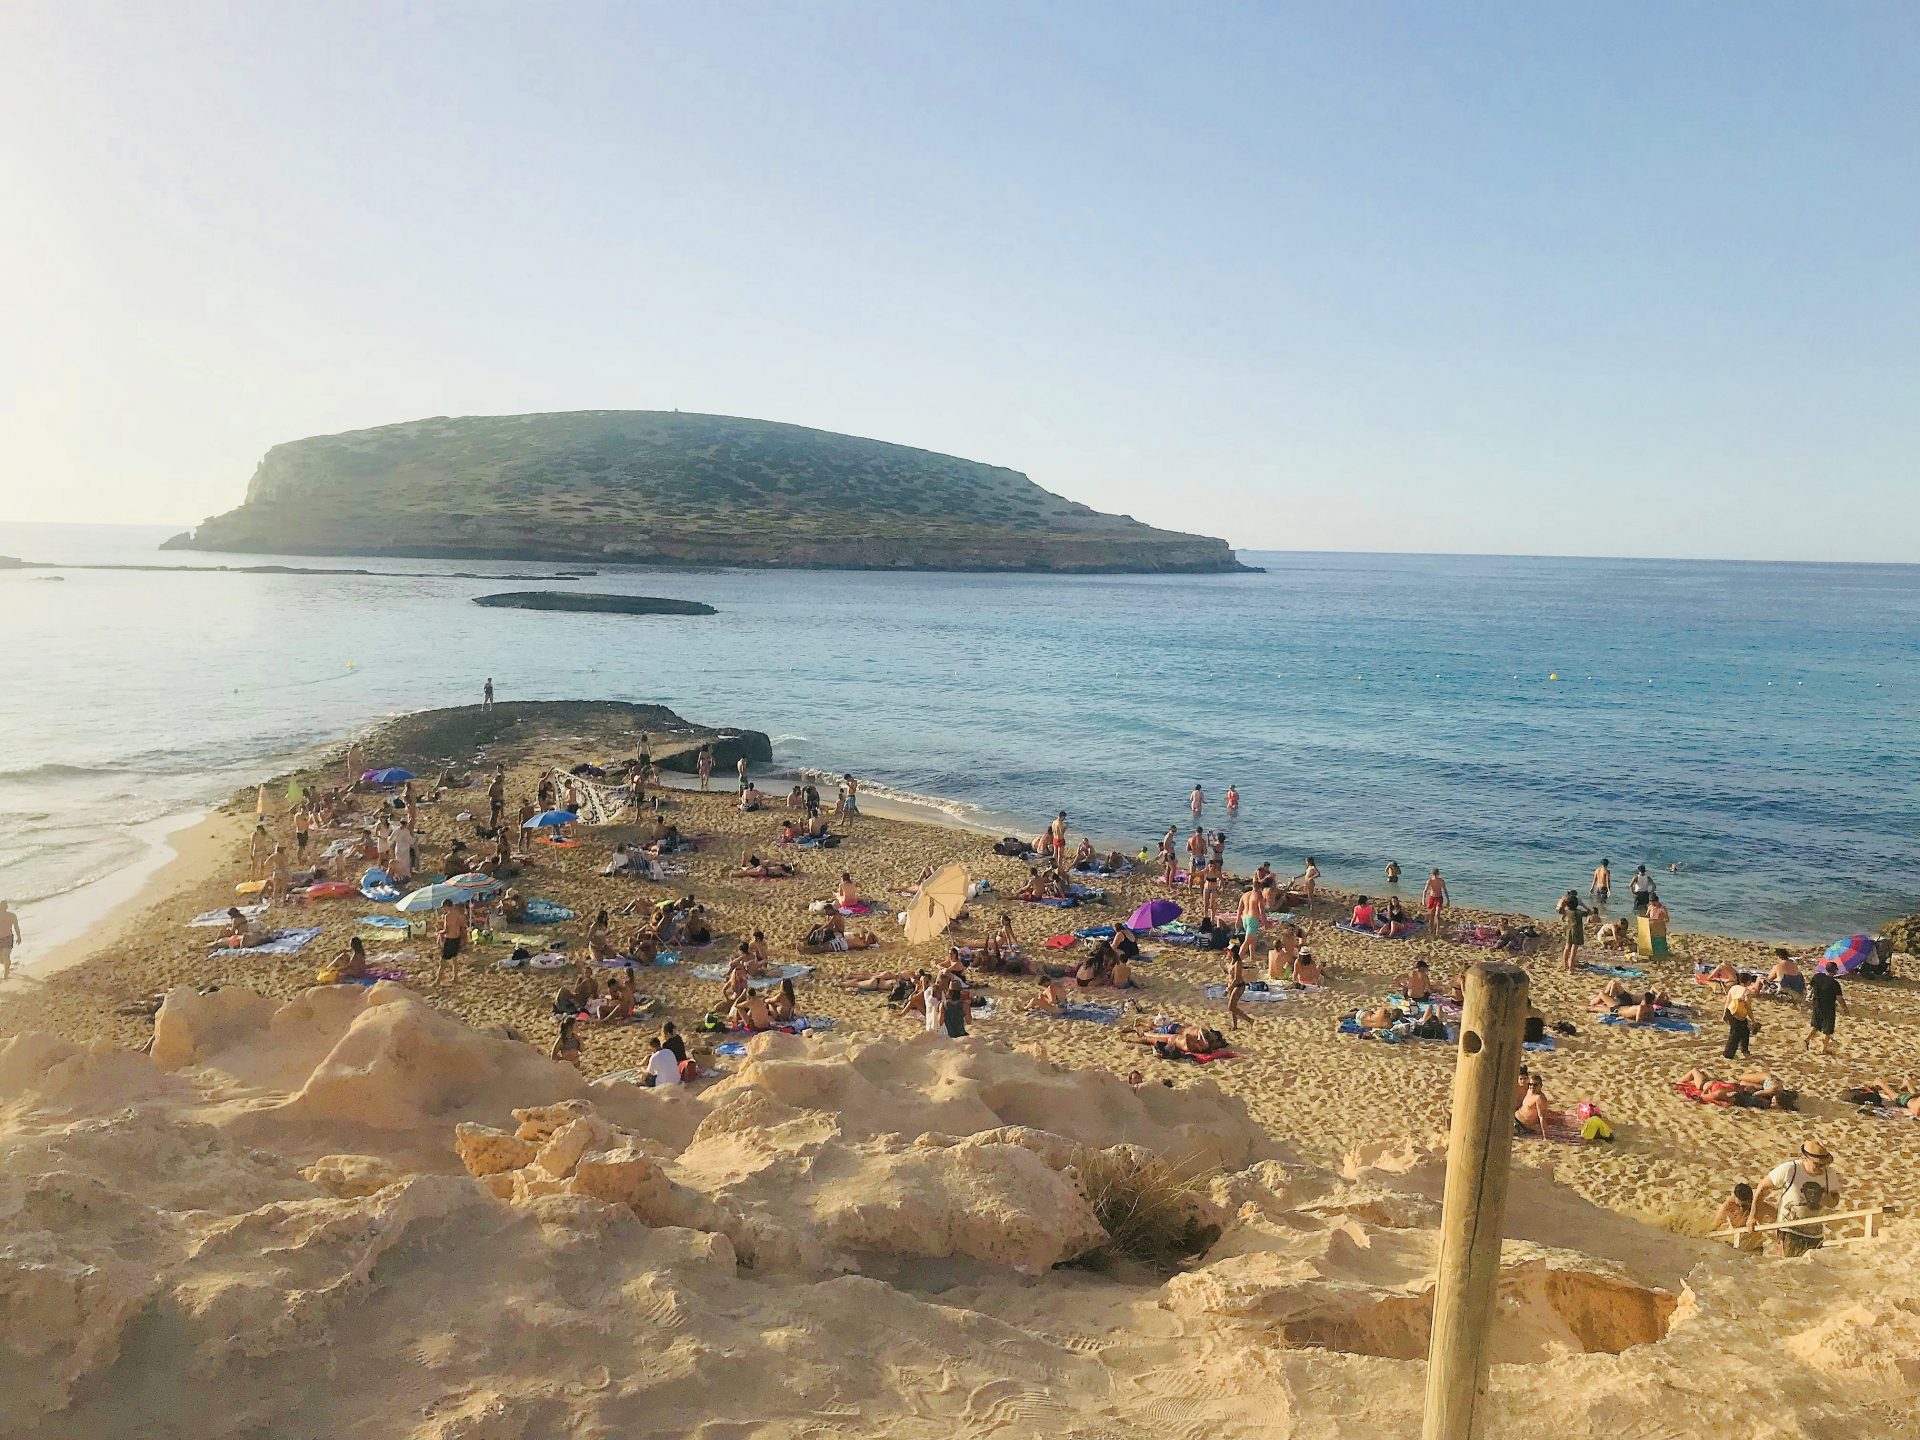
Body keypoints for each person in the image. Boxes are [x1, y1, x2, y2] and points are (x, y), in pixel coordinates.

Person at [1748, 1142, 1839, 1253]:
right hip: (1789, 1230)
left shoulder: (1829, 1174)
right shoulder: (1790, 1170)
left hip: (1815, 1233)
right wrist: (1752, 1216)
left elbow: (1835, 1199)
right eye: (1817, 1164)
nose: (1821, 1167)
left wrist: (1829, 1201)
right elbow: (1762, 1187)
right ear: (1805, 1158)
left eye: (1823, 1164)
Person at [1805, 961, 1846, 1056]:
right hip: (1828, 1007)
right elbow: (1839, 998)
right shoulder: (1835, 984)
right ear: (1835, 971)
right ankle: (1824, 1049)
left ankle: (1807, 1040)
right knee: (1828, 1029)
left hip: (1817, 1004)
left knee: (1817, 1025)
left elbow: (1809, 987)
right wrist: (1845, 1008)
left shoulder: (1817, 977)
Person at [435, 901, 469, 988]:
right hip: (456, 939)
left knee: (442, 961)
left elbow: (446, 930)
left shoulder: (448, 916)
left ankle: (438, 980)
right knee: (454, 960)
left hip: (449, 939)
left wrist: (439, 932)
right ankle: (455, 977)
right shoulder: (458, 914)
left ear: (446, 906)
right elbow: (462, 926)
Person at [1557, 889, 1588, 973]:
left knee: (1567, 948)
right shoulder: (1579, 912)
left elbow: (1560, 911)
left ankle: (1565, 965)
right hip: (1577, 932)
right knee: (1574, 949)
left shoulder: (1567, 911)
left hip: (1569, 929)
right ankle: (1571, 968)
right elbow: (1589, 912)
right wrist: (1587, 907)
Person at [1723, 980, 1754, 1060]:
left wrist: (1724, 1014)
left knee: (1744, 1032)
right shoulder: (1747, 992)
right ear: (1749, 982)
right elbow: (1748, 1007)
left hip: (1730, 1011)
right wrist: (1753, 1020)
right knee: (1735, 1035)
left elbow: (1727, 1002)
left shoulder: (1734, 988)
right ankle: (1728, 1054)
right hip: (1739, 1015)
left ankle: (1744, 1051)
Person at [1223, 941, 1248, 1029]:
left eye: (1229, 951)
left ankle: (1249, 1020)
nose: (1227, 952)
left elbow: (1237, 979)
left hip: (1238, 986)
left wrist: (1228, 989)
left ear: (1232, 952)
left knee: (1231, 1007)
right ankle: (1235, 1025)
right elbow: (1231, 974)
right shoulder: (1232, 961)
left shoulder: (1238, 963)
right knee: (1233, 1007)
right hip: (1232, 985)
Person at [1422, 867, 1448, 933]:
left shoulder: (1441, 881)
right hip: (1432, 898)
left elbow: (1445, 890)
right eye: (1434, 874)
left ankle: (1437, 930)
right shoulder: (1430, 881)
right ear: (1432, 874)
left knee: (1437, 914)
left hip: (1439, 898)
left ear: (1438, 874)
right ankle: (1431, 929)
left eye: (1436, 874)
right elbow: (1425, 890)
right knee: (1431, 915)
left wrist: (1448, 900)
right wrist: (1423, 900)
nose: (1435, 876)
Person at [0, 899, 20, 982]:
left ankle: (6, 973)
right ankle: (7, 965)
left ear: (6, 907)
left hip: (8, 937)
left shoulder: (12, 915)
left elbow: (16, 926)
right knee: (3, 958)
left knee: (5, 956)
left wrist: (19, 936)